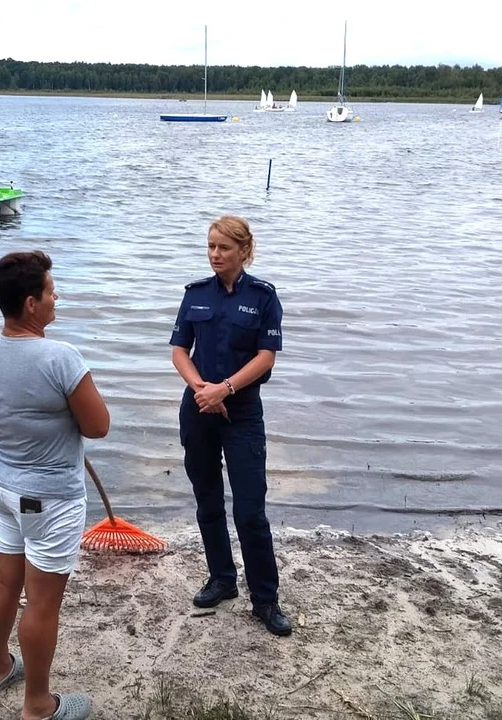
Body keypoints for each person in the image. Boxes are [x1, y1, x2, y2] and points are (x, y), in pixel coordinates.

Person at [0, 250, 110, 720]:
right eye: (51, 292)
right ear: (31, 303)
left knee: (4, 579)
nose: (56, 298)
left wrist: (27, 420)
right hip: (49, 497)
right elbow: (98, 426)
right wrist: (56, 419)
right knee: (43, 600)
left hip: (4, 487)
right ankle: (38, 705)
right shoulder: (61, 357)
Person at [169, 215, 292, 637]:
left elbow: (265, 357)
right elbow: (180, 350)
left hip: (241, 412)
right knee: (207, 501)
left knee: (250, 511)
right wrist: (201, 388)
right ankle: (222, 579)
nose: (215, 255)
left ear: (244, 251)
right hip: (199, 407)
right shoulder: (196, 294)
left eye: (223, 248)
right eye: (210, 247)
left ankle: (266, 600)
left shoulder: (263, 297)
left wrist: (224, 389)